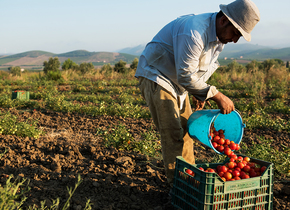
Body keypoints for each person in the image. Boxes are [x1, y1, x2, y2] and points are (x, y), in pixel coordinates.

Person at [135, 0, 260, 185]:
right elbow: (186, 75)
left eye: (239, 37)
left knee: (188, 132)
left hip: (177, 81)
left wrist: (200, 92)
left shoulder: (218, 38)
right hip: (157, 75)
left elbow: (199, 68)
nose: (235, 40)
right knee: (172, 133)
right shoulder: (194, 31)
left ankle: (190, 181)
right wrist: (216, 95)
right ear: (224, 20)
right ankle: (178, 185)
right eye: (235, 34)